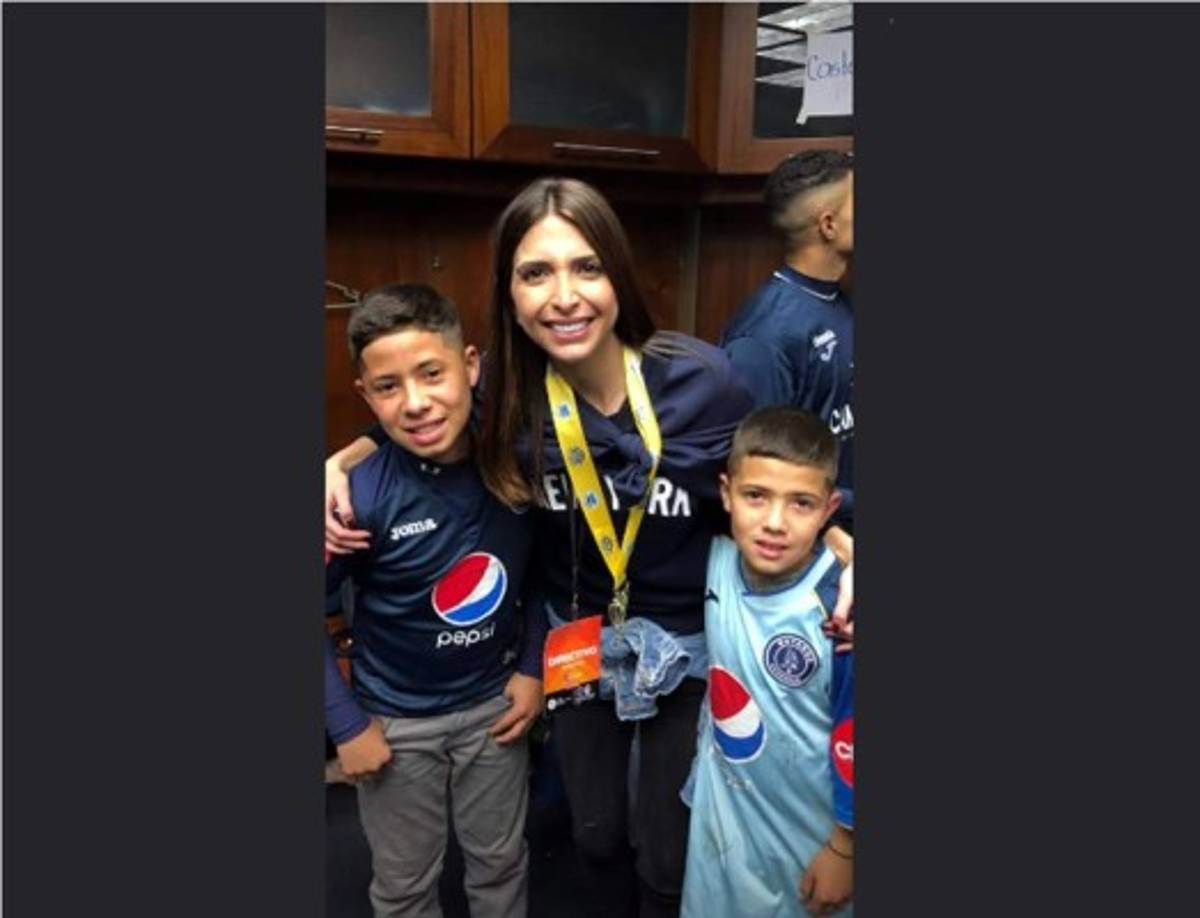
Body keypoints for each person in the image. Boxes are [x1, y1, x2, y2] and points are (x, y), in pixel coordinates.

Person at [325, 178, 854, 918]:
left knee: (669, 846)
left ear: (617, 276)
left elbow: (778, 473)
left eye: (586, 267)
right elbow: (417, 415)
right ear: (510, 295)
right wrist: (341, 459)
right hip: (576, 640)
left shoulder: (703, 380)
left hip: (688, 640)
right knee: (595, 834)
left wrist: (842, 538)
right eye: (536, 273)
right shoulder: (509, 396)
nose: (563, 296)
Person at [323, 283, 544, 918]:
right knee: (405, 882)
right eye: (389, 387)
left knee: (501, 862)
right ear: (367, 395)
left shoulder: (516, 458)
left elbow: (536, 576)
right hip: (396, 722)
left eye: (432, 374)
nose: (416, 402)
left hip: (493, 709)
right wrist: (347, 726)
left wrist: (531, 670)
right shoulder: (354, 498)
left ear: (470, 367)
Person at [681, 406, 854, 918]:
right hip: (724, 832)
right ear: (727, 493)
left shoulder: (841, 608)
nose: (774, 523)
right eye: (756, 496)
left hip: (812, 844)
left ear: (829, 510)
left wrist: (846, 846)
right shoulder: (714, 554)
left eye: (801, 503)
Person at [720, 150, 856, 533]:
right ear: (828, 225)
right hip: (815, 544)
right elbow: (759, 474)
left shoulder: (840, 302)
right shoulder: (764, 337)